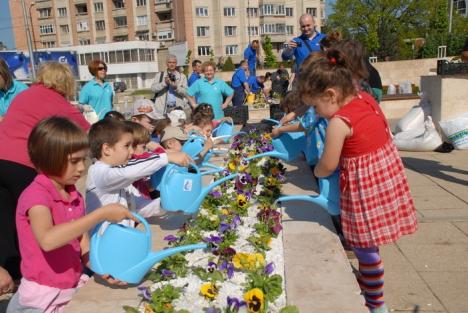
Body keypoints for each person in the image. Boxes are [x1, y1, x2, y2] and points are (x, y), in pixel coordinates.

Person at [299, 50, 418, 313]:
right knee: (370, 242)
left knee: (364, 248)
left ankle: (376, 303)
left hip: (364, 189)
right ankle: (368, 279)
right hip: (386, 179)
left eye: (316, 106)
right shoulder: (364, 99)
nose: (316, 113)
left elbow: (328, 165)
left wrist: (317, 172)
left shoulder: (338, 123)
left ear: (331, 94)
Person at [6, 117, 134, 313]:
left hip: (69, 289)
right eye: (74, 161)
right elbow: (48, 239)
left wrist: (101, 268)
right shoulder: (36, 196)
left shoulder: (72, 194)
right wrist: (99, 214)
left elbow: (82, 242)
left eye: (83, 159)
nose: (82, 168)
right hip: (39, 300)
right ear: (48, 158)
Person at [0, 62, 89, 290]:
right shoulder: (59, 103)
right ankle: (39, 272)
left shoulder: (24, 94)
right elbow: (89, 131)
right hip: (22, 163)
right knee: (38, 220)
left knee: (7, 220)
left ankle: (10, 273)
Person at [86, 119, 191, 226]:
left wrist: (169, 203)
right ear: (107, 149)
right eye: (127, 146)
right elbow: (128, 172)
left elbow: (140, 207)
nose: (131, 151)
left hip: (121, 239)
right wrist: (166, 156)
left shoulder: (121, 177)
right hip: (104, 241)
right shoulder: (98, 172)